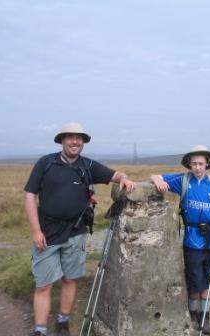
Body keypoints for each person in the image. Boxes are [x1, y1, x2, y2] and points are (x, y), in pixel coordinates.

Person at [24, 122, 135, 336]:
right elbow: (30, 195)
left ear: (83, 142)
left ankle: (63, 322)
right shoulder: (45, 163)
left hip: (76, 232)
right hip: (47, 233)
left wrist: (124, 179)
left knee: (70, 279)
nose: (75, 141)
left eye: (79, 138)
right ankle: (40, 330)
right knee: (43, 285)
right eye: (70, 137)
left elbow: (116, 175)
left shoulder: (89, 165)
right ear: (62, 140)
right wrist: (36, 231)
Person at [150, 145, 210, 335]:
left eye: (201, 163)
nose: (197, 167)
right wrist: (158, 182)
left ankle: (205, 317)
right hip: (191, 241)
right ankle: (193, 315)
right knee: (194, 280)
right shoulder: (183, 180)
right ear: (189, 165)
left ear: (207, 164)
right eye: (194, 163)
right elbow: (155, 176)